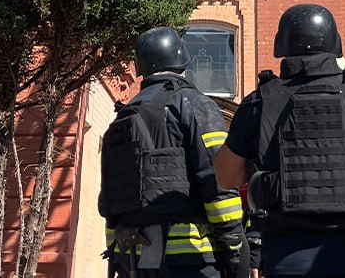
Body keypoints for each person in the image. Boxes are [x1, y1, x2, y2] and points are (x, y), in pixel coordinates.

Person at [213, 4, 345, 278]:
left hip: (287, 262)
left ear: (282, 46)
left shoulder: (259, 104)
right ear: (334, 44)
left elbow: (225, 177)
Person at [99, 27, 250, 278]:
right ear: (181, 60)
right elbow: (219, 181)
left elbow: (109, 201)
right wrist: (234, 249)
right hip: (188, 260)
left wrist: (116, 256)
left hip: (132, 260)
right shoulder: (193, 104)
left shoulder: (120, 121)